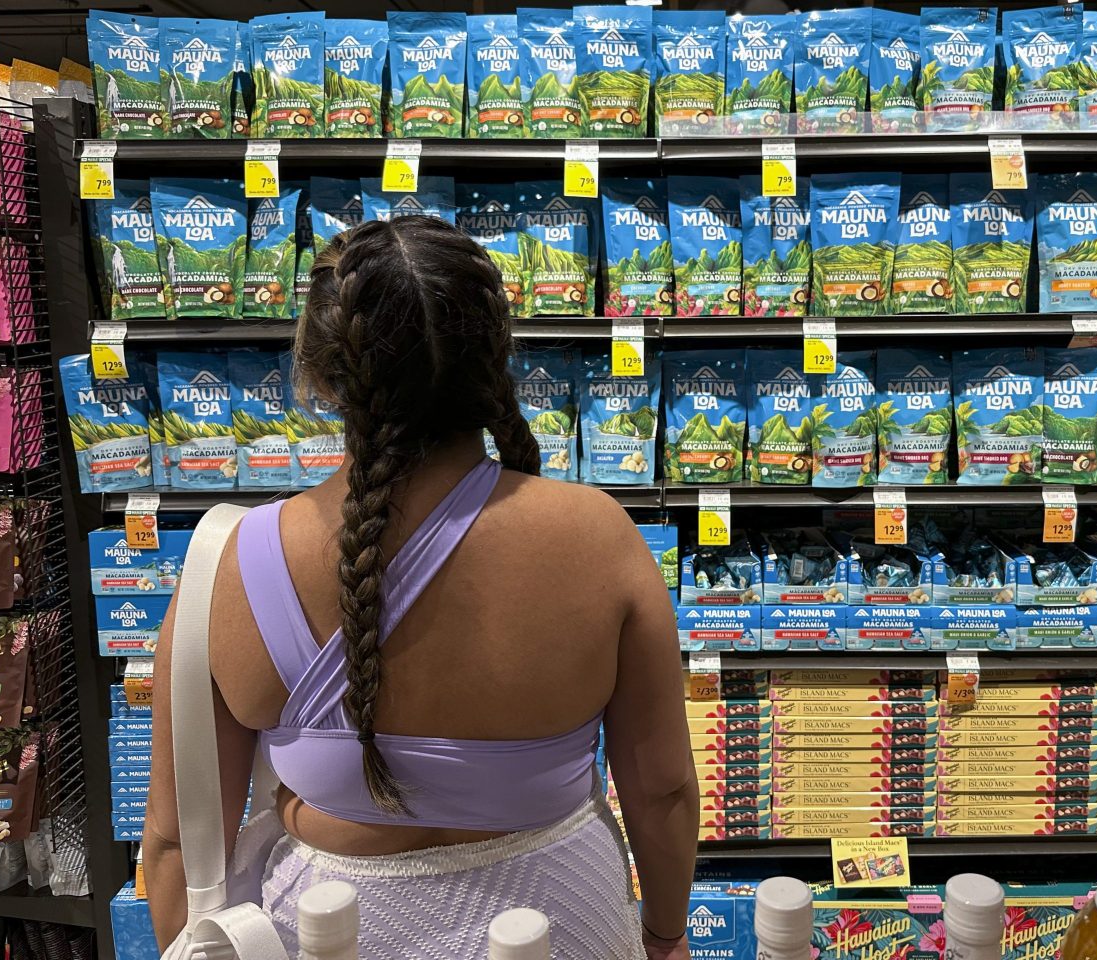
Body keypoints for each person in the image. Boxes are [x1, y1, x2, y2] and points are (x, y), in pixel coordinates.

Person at [143, 216, 699, 960]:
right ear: (496, 360)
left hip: (330, 932)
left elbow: (177, 840)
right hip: (565, 923)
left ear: (319, 375)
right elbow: (661, 791)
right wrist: (665, 936)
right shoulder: (598, 537)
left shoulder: (230, 565)